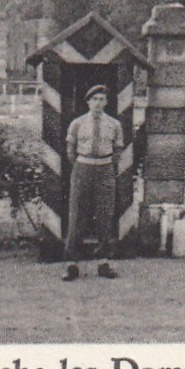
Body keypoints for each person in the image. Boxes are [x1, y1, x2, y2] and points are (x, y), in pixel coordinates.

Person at [63, 84, 125, 282]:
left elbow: (117, 151)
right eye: (94, 99)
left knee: (105, 215)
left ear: (106, 102)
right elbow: (70, 150)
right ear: (88, 102)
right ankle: (72, 264)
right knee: (77, 215)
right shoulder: (77, 123)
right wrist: (82, 166)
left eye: (101, 99)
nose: (98, 103)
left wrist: (106, 166)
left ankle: (104, 262)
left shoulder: (114, 125)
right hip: (83, 168)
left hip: (105, 169)